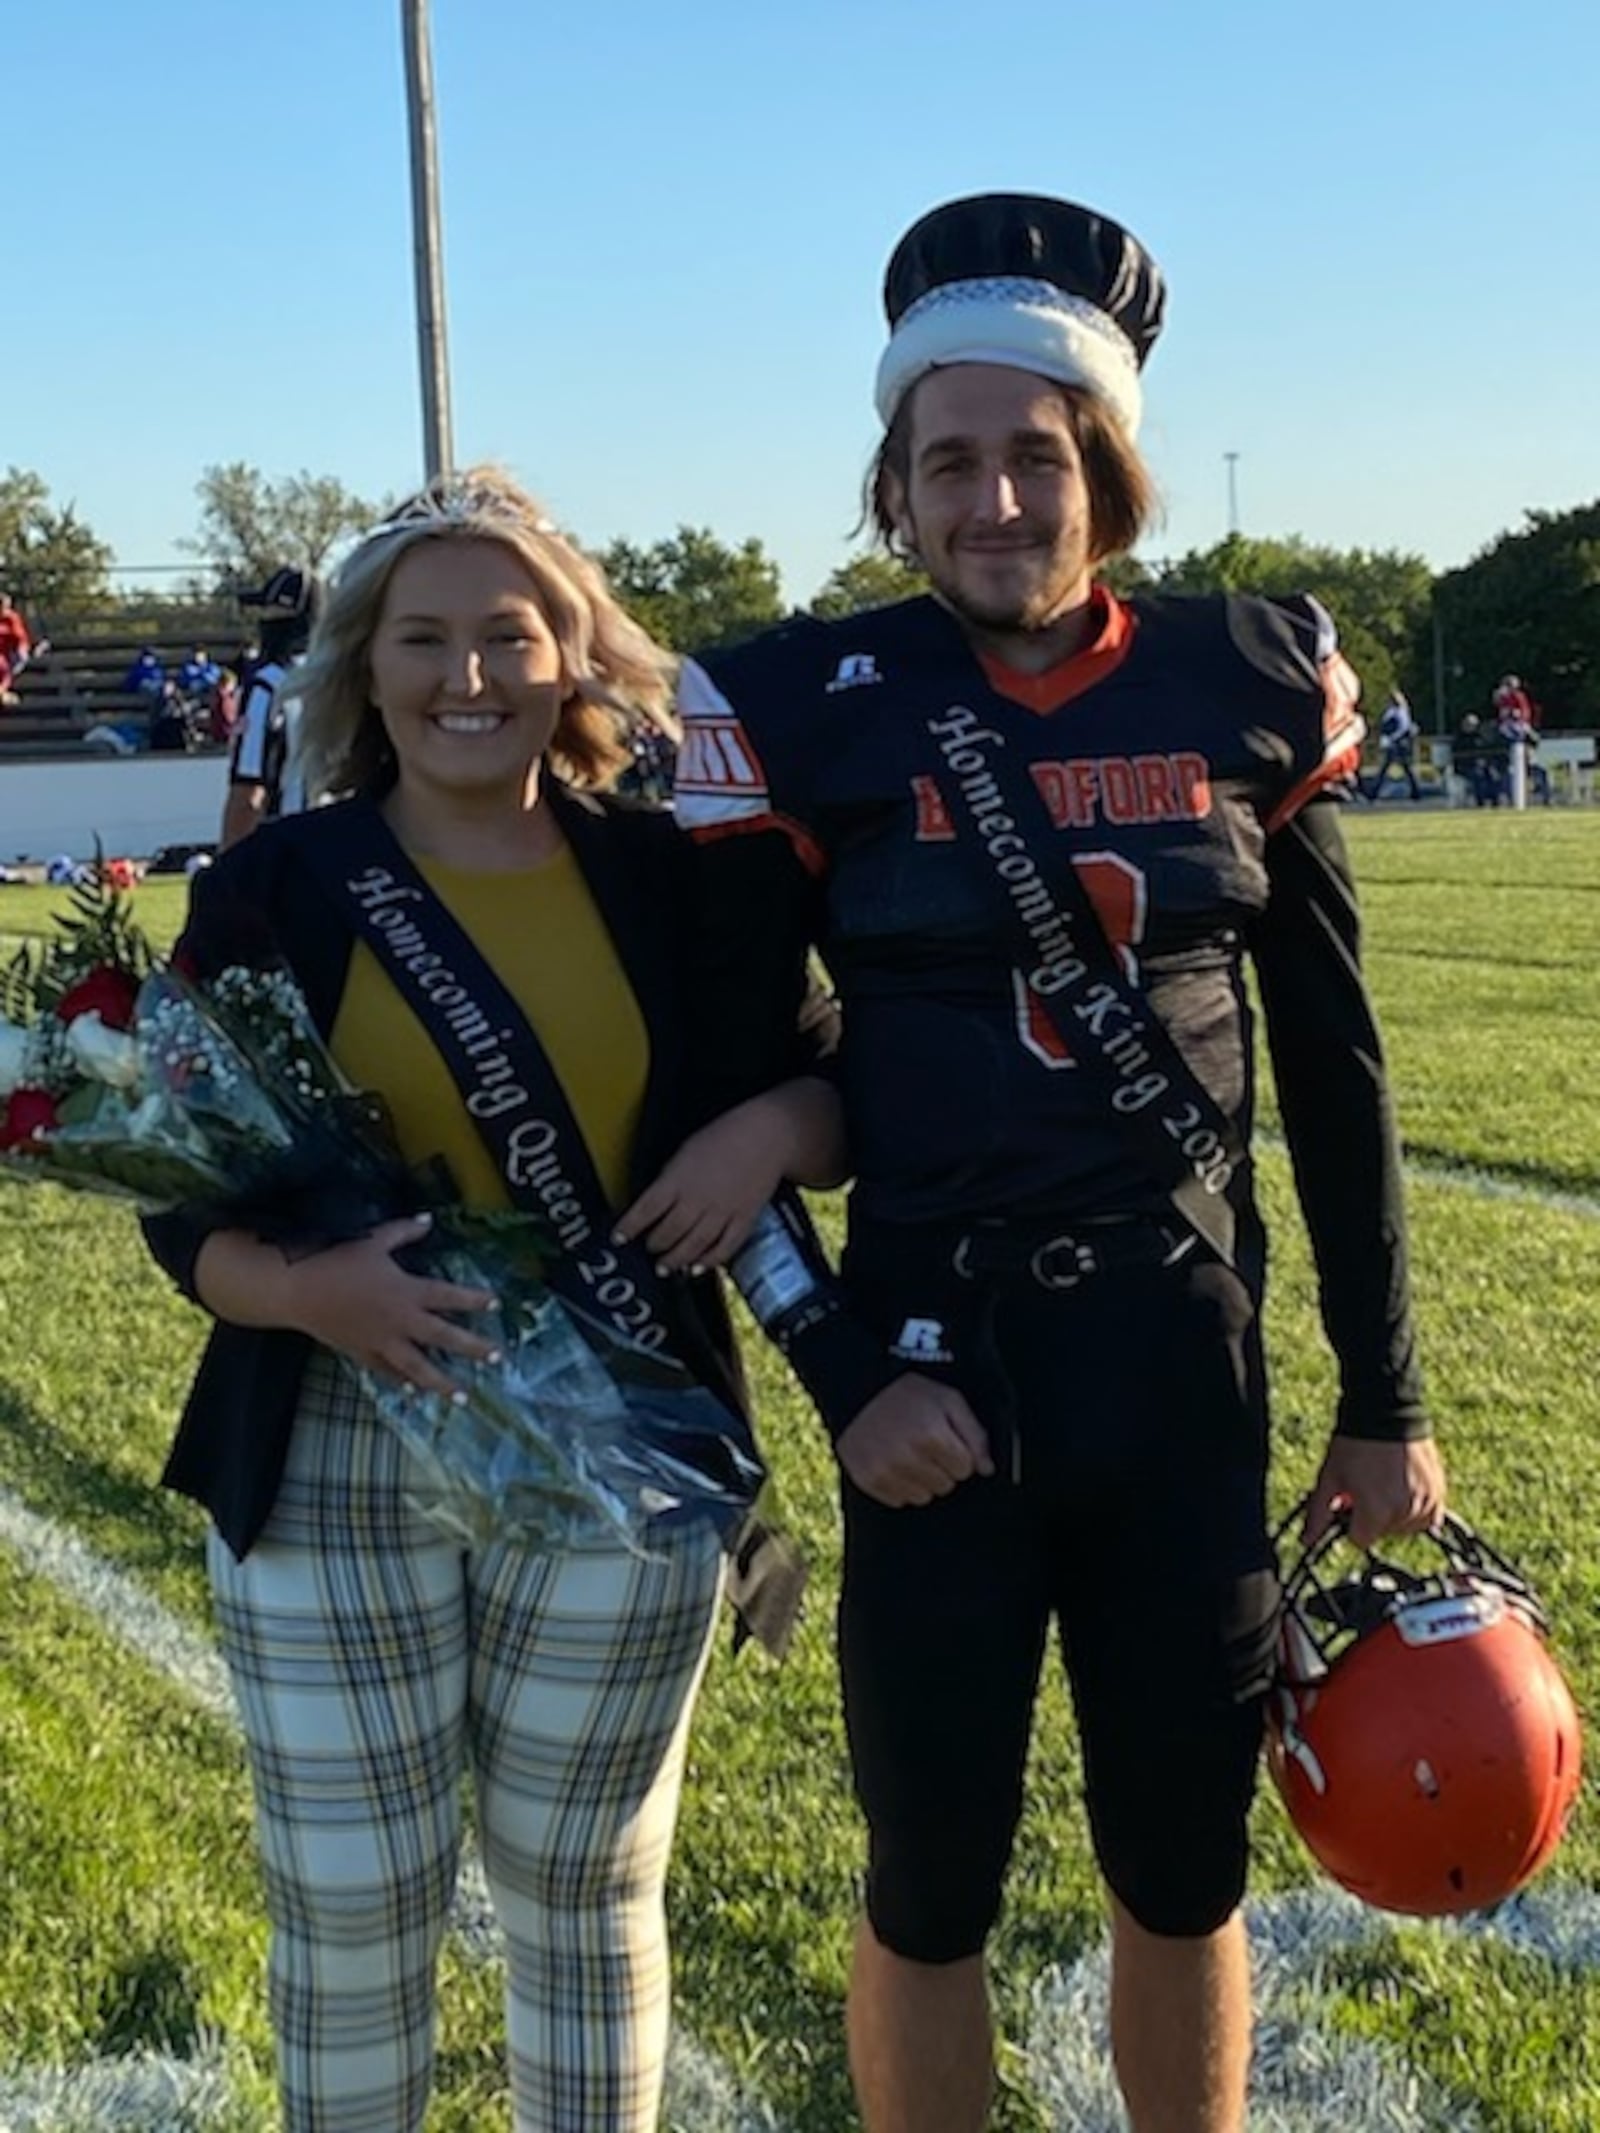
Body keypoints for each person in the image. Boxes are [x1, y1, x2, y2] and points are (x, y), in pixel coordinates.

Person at [668, 193, 1447, 2133]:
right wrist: (847, 1374)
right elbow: (703, 1112)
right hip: (938, 1379)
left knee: (1181, 1868)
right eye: (949, 459)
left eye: (1035, 454)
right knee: (927, 1879)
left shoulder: (1242, 671)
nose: (992, 499)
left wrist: (1382, 1397)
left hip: (1181, 1375)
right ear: (894, 483)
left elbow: (1336, 1073)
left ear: (1102, 466)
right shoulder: (786, 701)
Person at [141, 467, 848, 2133]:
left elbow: (829, 1080)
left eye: (508, 634)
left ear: (571, 657)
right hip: (326, 1448)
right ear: (364, 669)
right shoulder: (274, 887)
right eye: (425, 638)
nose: (469, 675)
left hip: (621, 1447)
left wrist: (767, 1127)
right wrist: (313, 1293)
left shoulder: (678, 878)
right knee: (351, 1913)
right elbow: (175, 1203)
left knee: (586, 1892)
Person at [220, 566, 319, 847]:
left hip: (295, 852)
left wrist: (228, 876)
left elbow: (247, 794)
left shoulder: (270, 685)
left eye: (270, 612)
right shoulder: (352, 681)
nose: (263, 622)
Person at [1363, 687, 1421, 801]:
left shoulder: (1400, 711)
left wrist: (1392, 738)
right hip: (1392, 743)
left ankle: (1416, 792)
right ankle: (1374, 793)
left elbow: (1403, 728)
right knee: (1392, 768)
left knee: (1401, 768)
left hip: (1398, 744)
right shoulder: (1392, 711)